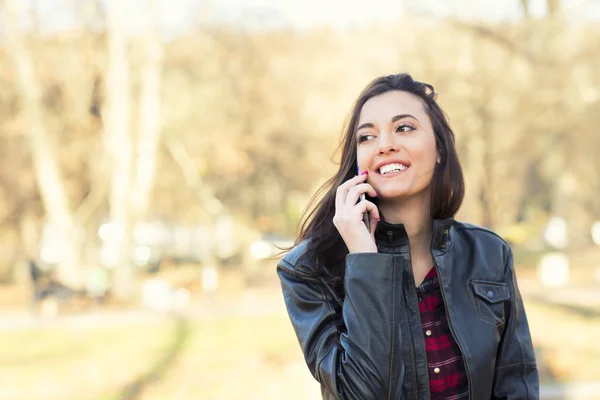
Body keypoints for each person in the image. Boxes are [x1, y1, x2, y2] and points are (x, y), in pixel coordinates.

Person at [276, 73, 538, 400]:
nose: (385, 144)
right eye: (367, 137)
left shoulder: (488, 252)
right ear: (358, 163)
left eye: (404, 128)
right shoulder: (309, 269)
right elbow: (364, 394)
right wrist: (364, 262)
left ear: (440, 150)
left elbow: (517, 382)